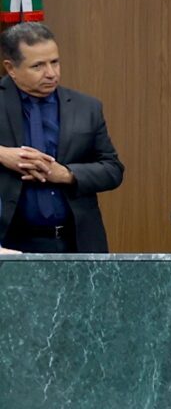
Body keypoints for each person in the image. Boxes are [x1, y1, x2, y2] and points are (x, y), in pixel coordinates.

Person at [0, 23, 122, 254]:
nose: (51, 73)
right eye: (38, 66)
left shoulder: (86, 107)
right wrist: (2, 154)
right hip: (10, 244)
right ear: (11, 68)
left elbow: (113, 169)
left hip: (75, 243)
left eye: (54, 62)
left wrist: (66, 174)